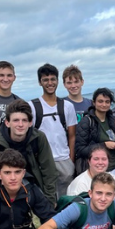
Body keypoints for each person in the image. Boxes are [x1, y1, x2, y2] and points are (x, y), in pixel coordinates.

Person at [0, 100, 58, 207]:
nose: (20, 125)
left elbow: (49, 171)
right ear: (7, 122)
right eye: (16, 120)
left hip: (33, 186)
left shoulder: (39, 138)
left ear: (30, 123)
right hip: (4, 188)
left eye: (24, 120)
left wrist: (49, 199)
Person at [30, 63, 77, 198]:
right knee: (46, 199)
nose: (50, 83)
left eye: (52, 79)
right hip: (42, 160)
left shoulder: (67, 106)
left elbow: (72, 136)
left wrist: (71, 160)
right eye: (45, 80)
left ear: (57, 81)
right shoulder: (32, 107)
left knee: (65, 200)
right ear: (40, 82)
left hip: (64, 159)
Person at [75, 87, 115, 187]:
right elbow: (80, 150)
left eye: (107, 102)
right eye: (100, 101)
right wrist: (104, 145)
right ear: (94, 102)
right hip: (97, 169)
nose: (104, 104)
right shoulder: (87, 122)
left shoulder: (113, 119)